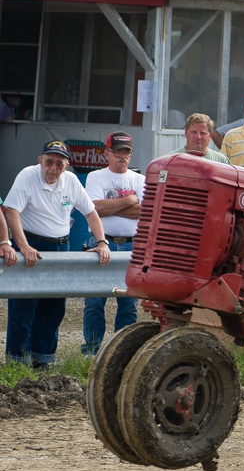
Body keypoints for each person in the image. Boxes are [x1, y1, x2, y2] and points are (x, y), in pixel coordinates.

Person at [3, 140, 111, 368]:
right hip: (32, 244)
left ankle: (43, 361)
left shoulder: (70, 181)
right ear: (40, 160)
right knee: (23, 308)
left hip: (61, 247)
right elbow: (12, 211)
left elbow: (90, 212)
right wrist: (23, 246)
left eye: (59, 164)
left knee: (54, 308)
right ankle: (16, 364)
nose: (53, 168)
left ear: (67, 166)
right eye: (49, 162)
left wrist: (102, 242)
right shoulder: (27, 175)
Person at [81, 131, 145, 355]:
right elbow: (94, 208)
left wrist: (111, 206)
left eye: (126, 152)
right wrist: (128, 201)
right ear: (107, 153)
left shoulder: (140, 180)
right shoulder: (95, 177)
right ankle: (92, 350)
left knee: (128, 303)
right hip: (100, 242)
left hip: (132, 245)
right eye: (117, 151)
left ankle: (121, 352)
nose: (122, 156)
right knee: (95, 302)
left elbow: (144, 212)